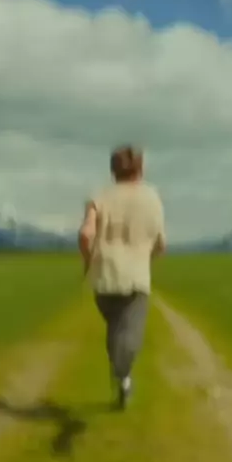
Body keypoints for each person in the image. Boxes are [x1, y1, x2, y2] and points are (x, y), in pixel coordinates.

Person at [78, 145, 166, 409]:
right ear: (140, 168)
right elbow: (160, 243)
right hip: (135, 279)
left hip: (103, 280)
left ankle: (123, 381)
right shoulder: (151, 197)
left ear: (113, 170)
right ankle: (121, 370)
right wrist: (148, 256)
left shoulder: (99, 196)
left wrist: (88, 262)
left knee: (116, 329)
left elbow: (85, 235)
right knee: (128, 337)